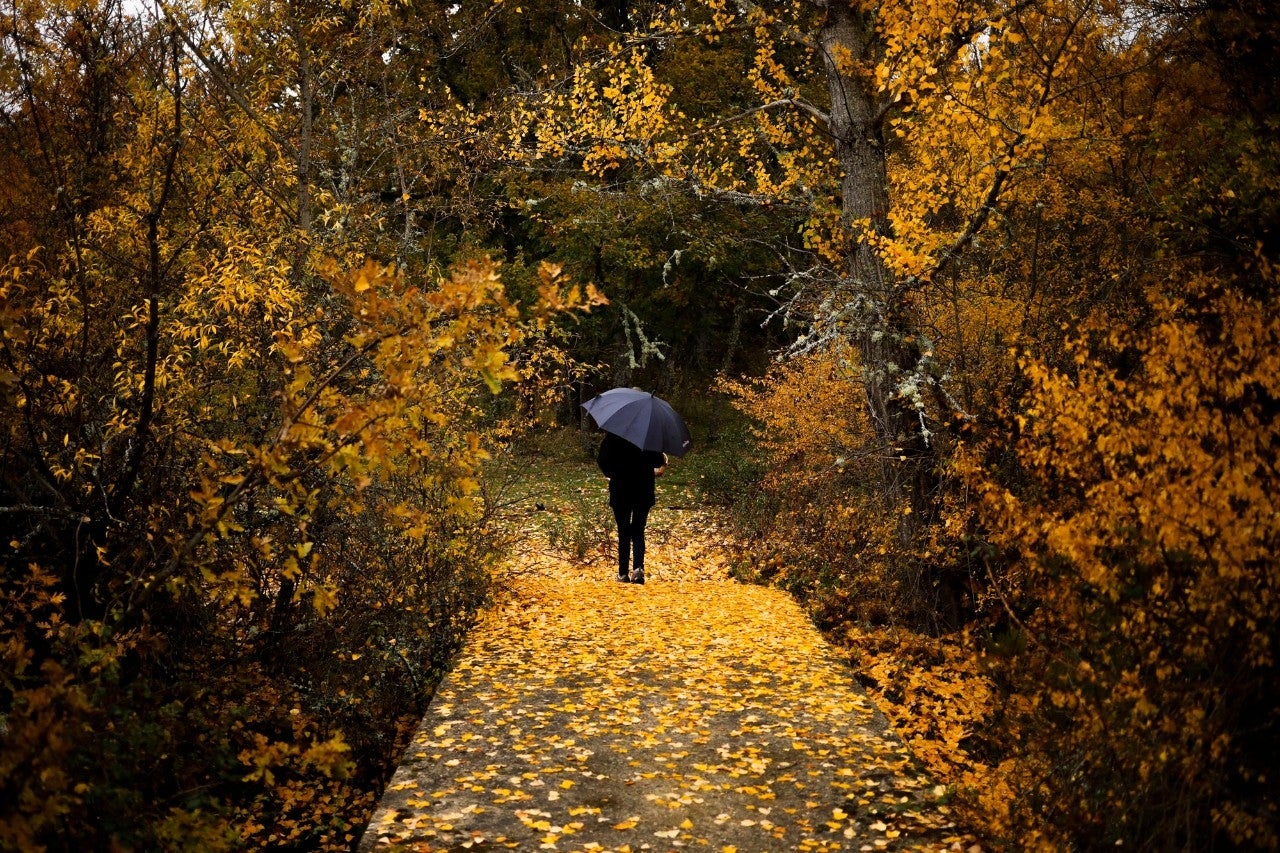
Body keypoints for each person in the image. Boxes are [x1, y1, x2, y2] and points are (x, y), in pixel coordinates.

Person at [596, 431, 667, 584]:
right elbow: (657, 461)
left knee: (623, 531)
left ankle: (622, 573)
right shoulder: (649, 436)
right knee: (638, 530)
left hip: (620, 490)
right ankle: (638, 569)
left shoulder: (614, 435)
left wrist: (613, 473)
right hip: (643, 490)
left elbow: (602, 460)